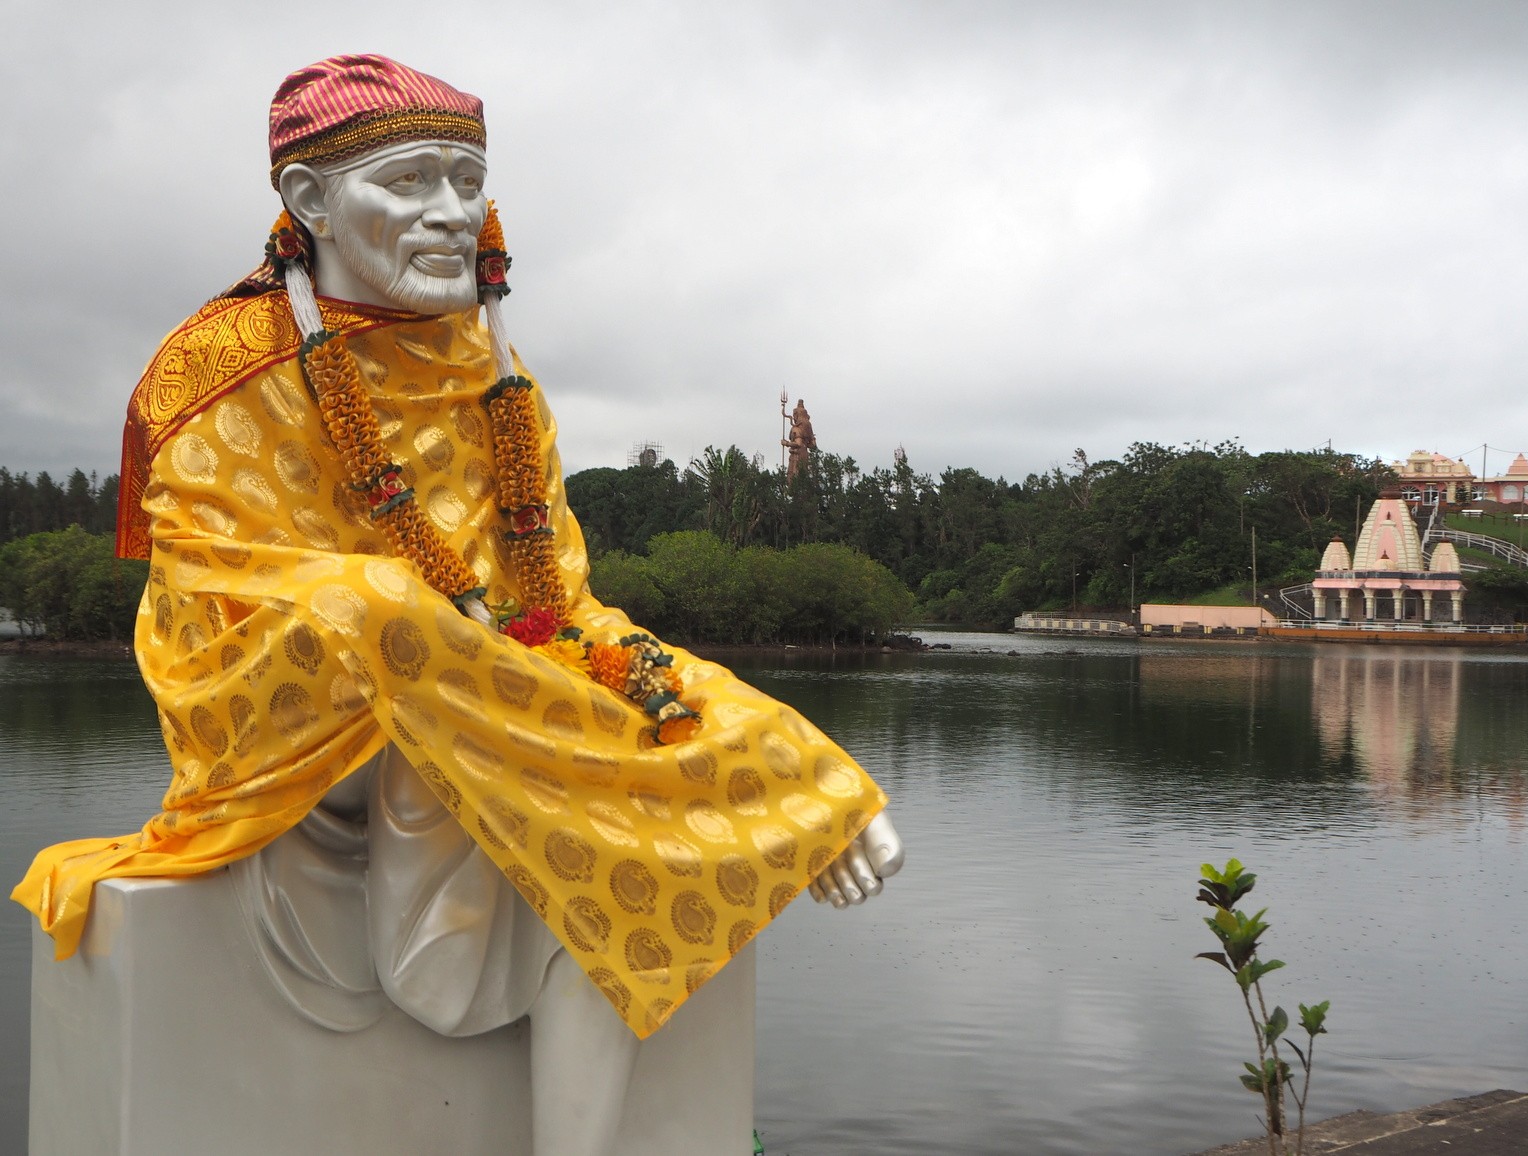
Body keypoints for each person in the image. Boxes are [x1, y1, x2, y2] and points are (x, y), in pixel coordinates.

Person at [12, 54, 902, 1155]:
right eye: (412, 181)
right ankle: (733, 783)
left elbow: (559, 615)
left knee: (616, 845)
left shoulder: (496, 377)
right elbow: (211, 599)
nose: (450, 213)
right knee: (378, 604)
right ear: (308, 200)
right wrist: (401, 620)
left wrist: (773, 742)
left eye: (466, 179)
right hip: (284, 714)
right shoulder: (217, 365)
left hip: (479, 715)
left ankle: (770, 790)